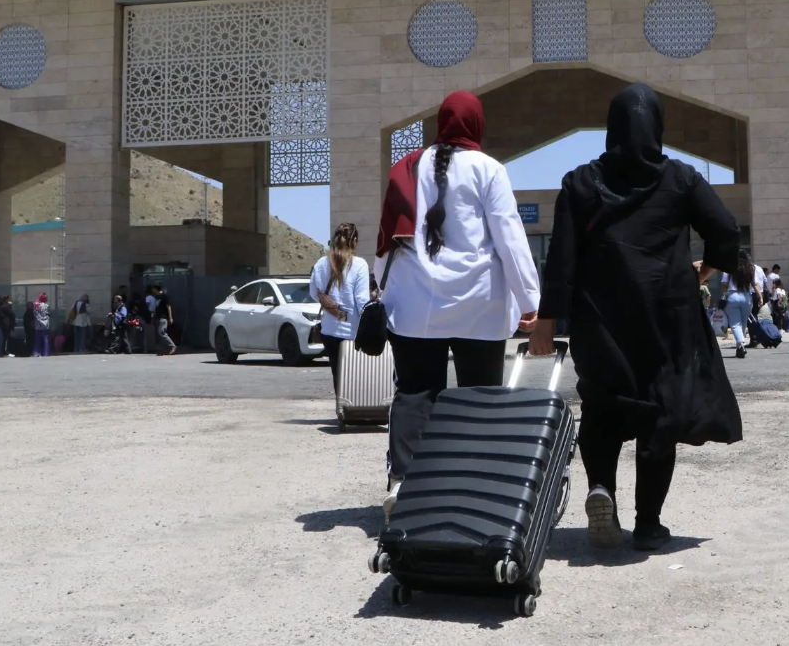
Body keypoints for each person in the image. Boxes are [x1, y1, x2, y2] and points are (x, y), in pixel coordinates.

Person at [530, 83, 743, 552]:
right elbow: (726, 229)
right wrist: (708, 266)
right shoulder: (681, 178)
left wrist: (547, 321)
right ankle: (648, 524)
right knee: (658, 413)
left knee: (602, 406)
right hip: (665, 320)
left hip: (599, 320)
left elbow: (561, 258)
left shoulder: (580, 182)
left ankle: (601, 490)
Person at [375, 91, 540, 522]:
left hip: (417, 306)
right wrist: (530, 301)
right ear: (476, 124)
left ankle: (403, 484)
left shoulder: (410, 165)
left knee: (415, 393)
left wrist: (383, 290)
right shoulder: (488, 169)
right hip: (478, 306)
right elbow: (509, 237)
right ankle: (475, 487)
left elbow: (388, 238)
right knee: (480, 398)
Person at [310, 222, 371, 396]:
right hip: (352, 332)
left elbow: (314, 293)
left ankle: (341, 406)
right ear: (355, 240)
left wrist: (331, 306)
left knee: (338, 375)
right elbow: (362, 301)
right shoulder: (359, 264)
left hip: (329, 330)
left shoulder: (321, 263)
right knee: (355, 377)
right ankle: (353, 407)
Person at [721, 249, 760, 359]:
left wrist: (723, 295)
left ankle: (741, 344)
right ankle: (740, 345)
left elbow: (724, 284)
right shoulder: (750, 268)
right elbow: (754, 283)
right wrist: (760, 296)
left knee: (735, 323)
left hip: (732, 296)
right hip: (746, 296)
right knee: (743, 322)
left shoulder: (728, 267)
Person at [152, 284, 176, 356]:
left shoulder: (164, 296)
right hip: (157, 317)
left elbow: (168, 306)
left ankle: (172, 346)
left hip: (163, 317)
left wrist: (170, 317)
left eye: (153, 288)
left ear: (156, 288)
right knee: (160, 333)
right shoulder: (156, 297)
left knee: (161, 332)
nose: (152, 290)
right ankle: (165, 349)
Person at [31, 292, 51, 357]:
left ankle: (37, 352)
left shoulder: (36, 304)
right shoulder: (47, 306)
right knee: (46, 339)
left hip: (38, 324)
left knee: (37, 339)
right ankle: (46, 352)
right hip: (46, 324)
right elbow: (49, 313)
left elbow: (34, 314)